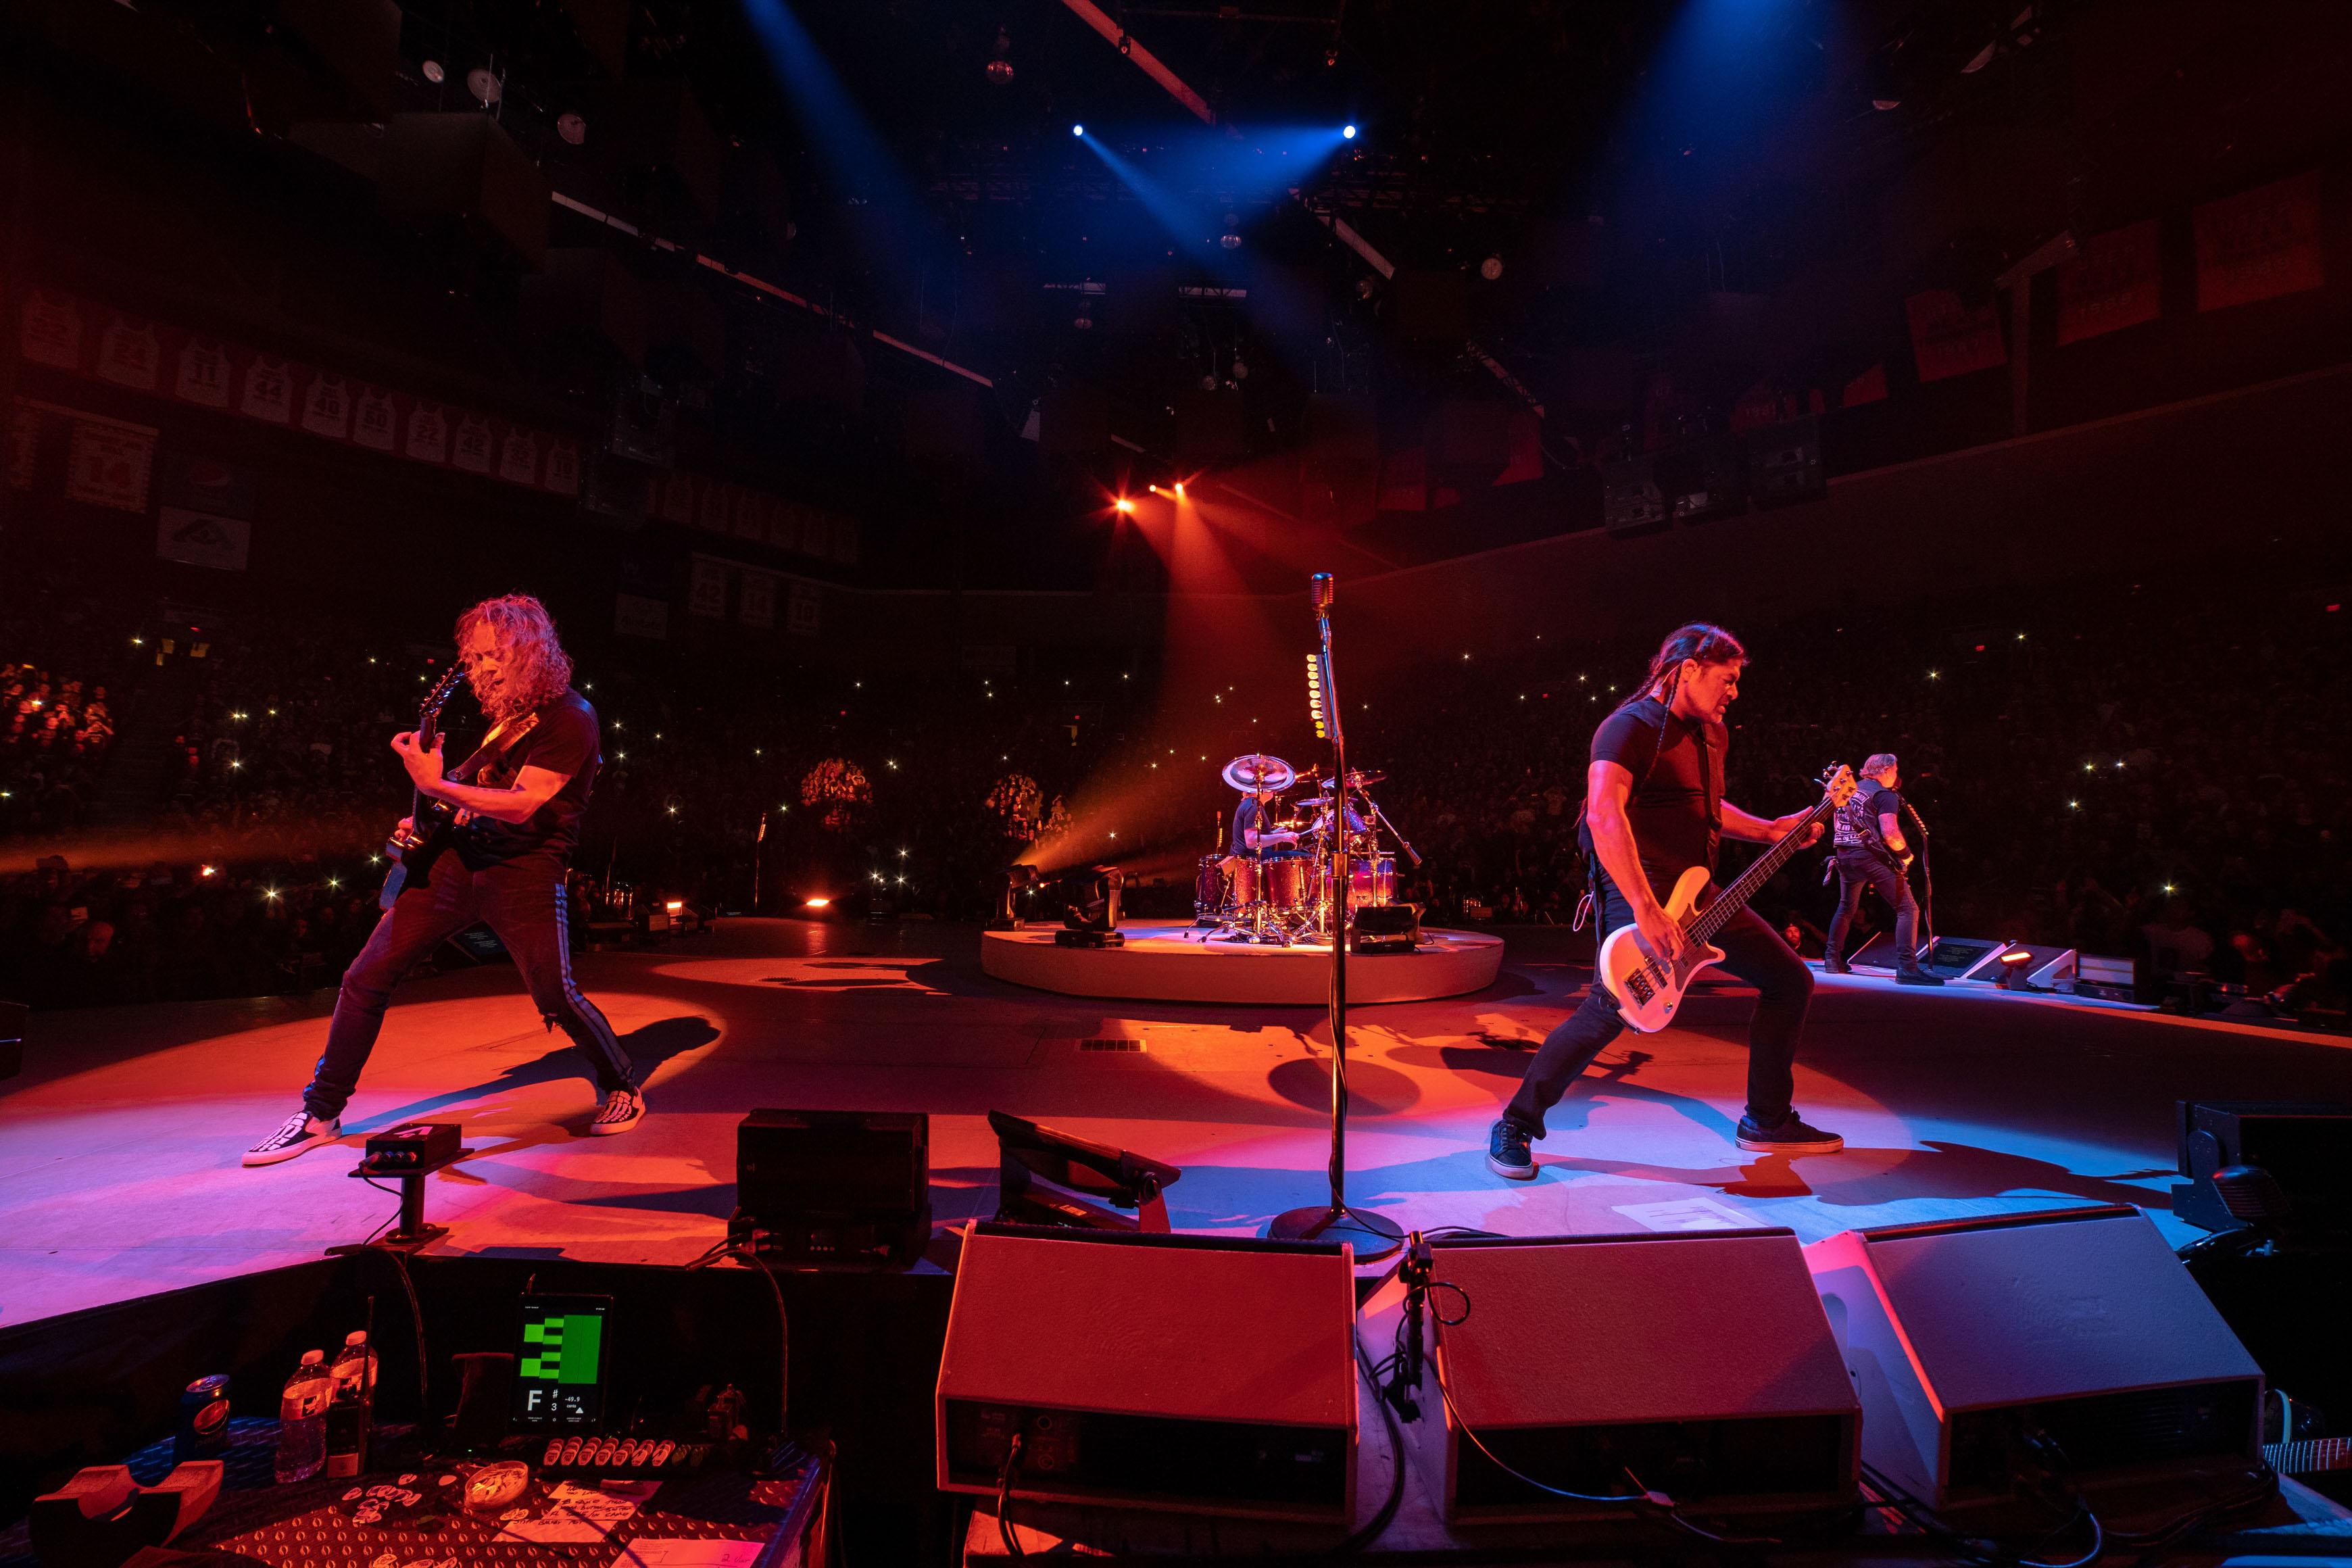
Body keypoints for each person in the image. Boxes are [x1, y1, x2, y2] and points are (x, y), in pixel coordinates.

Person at [245, 595, 641, 1167]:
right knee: (364, 978)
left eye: (493, 656)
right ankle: (320, 1113)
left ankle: (622, 1084)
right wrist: (431, 815)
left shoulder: (572, 717)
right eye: (474, 658)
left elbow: (522, 804)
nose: (481, 670)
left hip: (524, 867)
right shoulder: (508, 720)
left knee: (554, 994)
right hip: (458, 861)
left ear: (531, 652)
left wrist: (436, 787)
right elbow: (471, 793)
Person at [1487, 622, 1842, 1181]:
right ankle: (1516, 1123)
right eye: (1727, 679)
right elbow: (1604, 815)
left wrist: (1771, 830)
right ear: (1688, 669)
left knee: (1790, 981)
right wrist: (1645, 908)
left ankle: (1767, 1119)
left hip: (1698, 892)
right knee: (1612, 1009)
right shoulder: (1627, 727)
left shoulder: (1712, 734)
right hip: (1638, 888)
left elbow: (1707, 809)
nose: (1735, 692)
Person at [1823, 753, 1942, 985]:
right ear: (1886, 771)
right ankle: (1907, 968)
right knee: (1908, 909)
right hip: (1870, 857)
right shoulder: (1884, 795)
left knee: (1846, 908)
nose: (1896, 775)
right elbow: (1890, 833)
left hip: (1844, 855)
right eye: (1895, 771)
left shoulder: (1847, 789)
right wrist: (1906, 855)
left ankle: (1832, 959)